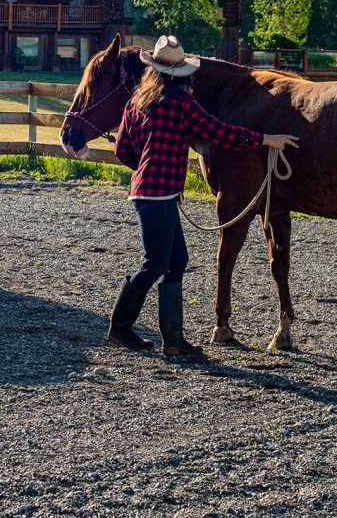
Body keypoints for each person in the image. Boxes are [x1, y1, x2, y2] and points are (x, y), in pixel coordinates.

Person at [109, 35, 298, 356]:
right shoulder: (182, 104)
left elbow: (122, 149)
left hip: (146, 193)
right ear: (179, 73)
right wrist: (267, 139)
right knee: (156, 262)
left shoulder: (136, 104)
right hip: (160, 195)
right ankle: (121, 327)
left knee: (176, 260)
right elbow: (221, 132)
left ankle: (172, 340)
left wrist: (145, 169)